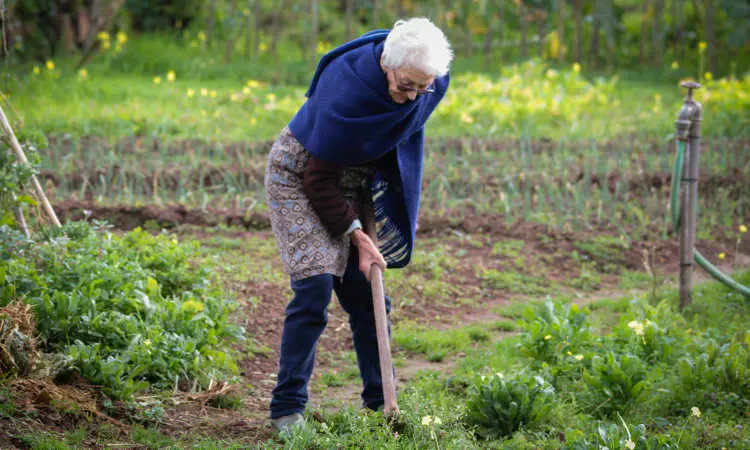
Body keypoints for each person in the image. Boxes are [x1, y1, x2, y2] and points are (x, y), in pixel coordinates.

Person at [264, 17, 453, 431]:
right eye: (406, 86)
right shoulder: (346, 95)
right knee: (315, 284)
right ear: (386, 64)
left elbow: (396, 133)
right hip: (301, 178)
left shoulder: (428, 80)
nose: (413, 98)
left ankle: (380, 407)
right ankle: (286, 408)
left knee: (367, 294)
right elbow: (318, 178)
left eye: (423, 89)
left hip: (356, 182)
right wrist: (357, 235)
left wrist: (369, 212)